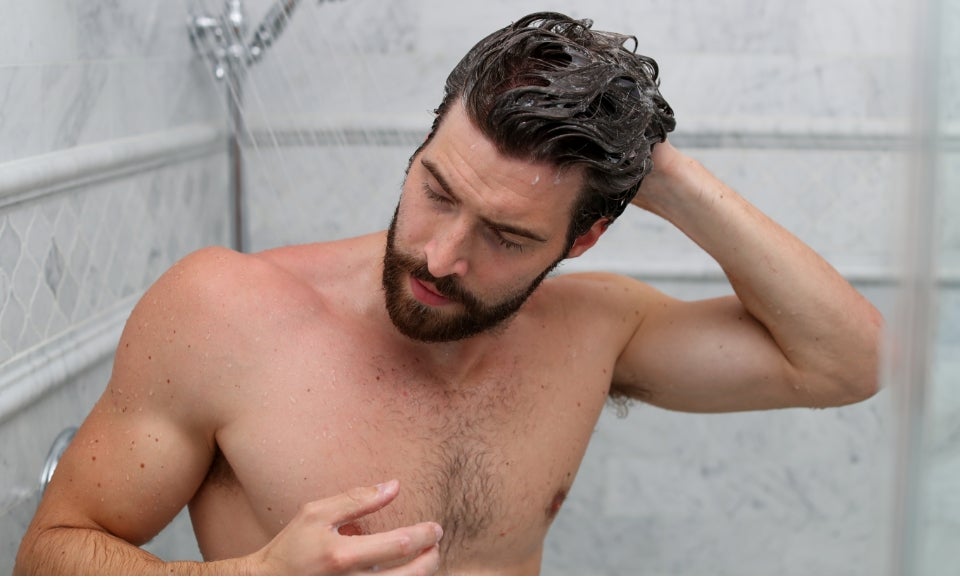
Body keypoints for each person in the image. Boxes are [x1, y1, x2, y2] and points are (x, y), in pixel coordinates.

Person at [15, 11, 882, 576]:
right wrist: (254, 576)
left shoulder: (595, 327)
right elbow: (48, 552)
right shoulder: (222, 312)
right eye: (436, 187)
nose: (438, 254)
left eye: (505, 236)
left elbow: (849, 362)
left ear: (583, 238)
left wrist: (670, 176)